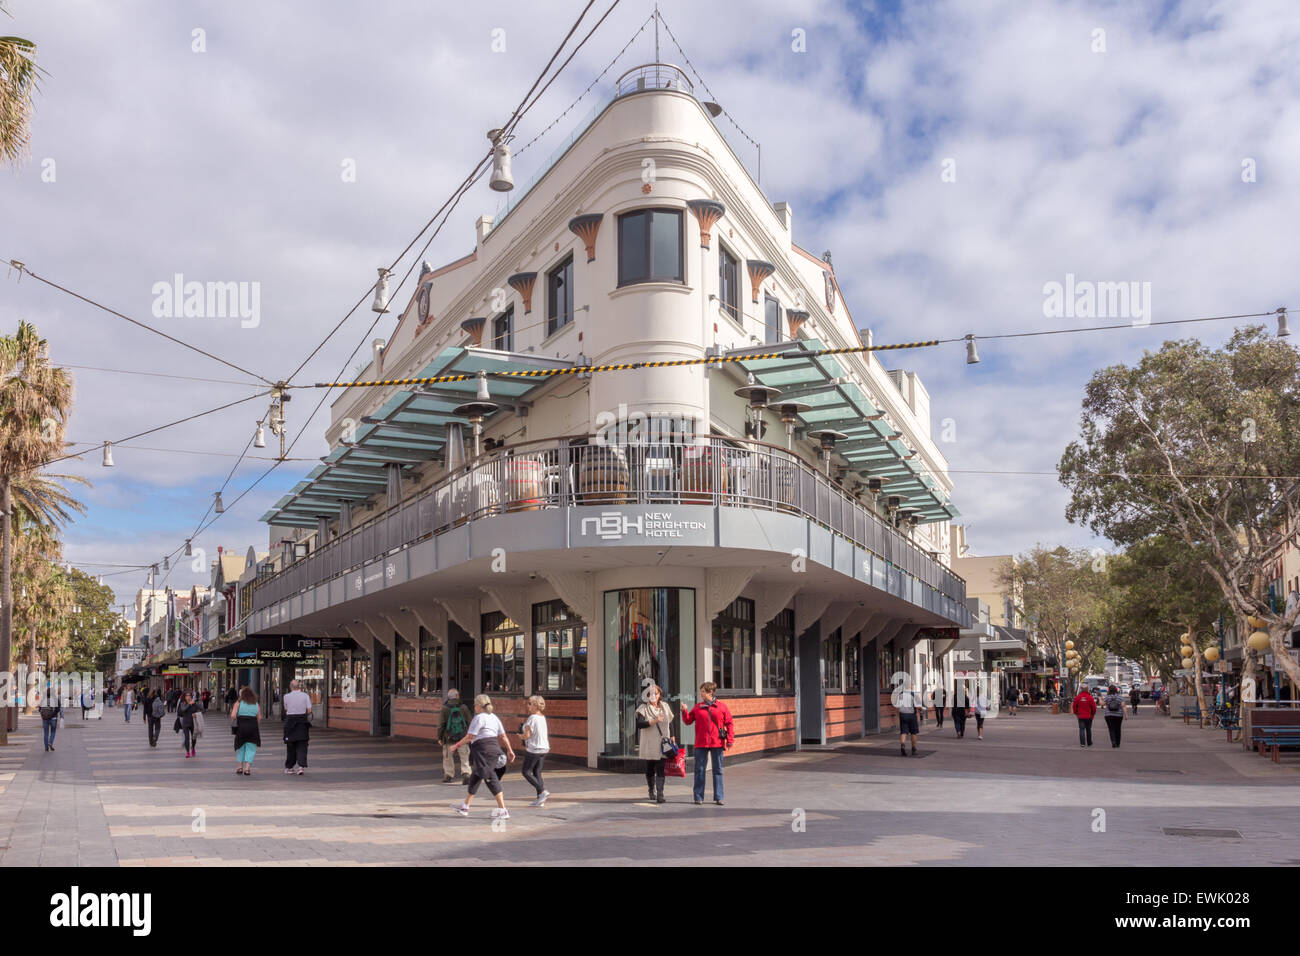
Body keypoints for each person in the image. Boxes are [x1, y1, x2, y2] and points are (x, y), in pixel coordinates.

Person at [448, 694, 516, 818]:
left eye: (474, 704)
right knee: (476, 776)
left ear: (479, 706)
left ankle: (503, 810)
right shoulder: (494, 717)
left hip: (483, 752)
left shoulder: (479, 718)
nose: (474, 706)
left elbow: (470, 737)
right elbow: (503, 736)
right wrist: (510, 750)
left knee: (490, 778)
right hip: (494, 750)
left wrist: (455, 746)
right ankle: (465, 806)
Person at [681, 682, 734, 806]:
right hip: (701, 743)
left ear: (711, 692)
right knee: (699, 770)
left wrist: (730, 740)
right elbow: (688, 721)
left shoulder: (721, 707)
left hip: (717, 743)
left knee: (718, 770)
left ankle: (719, 797)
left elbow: (730, 723)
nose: (701, 694)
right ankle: (698, 797)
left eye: (703, 691)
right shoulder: (698, 707)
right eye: (701, 691)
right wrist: (684, 712)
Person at [635, 683, 675, 803]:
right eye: (651, 694)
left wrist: (672, 735)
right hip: (649, 742)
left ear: (659, 695)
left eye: (656, 693)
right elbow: (639, 724)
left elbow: (670, 722)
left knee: (661, 768)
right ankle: (651, 790)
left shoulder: (665, 706)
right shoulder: (643, 708)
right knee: (650, 768)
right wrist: (654, 721)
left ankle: (660, 794)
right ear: (647, 696)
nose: (654, 696)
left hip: (663, 742)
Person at [520, 695, 550, 807]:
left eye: (530, 703)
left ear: (535, 705)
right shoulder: (542, 717)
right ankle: (540, 799)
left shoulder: (532, 718)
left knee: (526, 772)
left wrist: (520, 736)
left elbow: (527, 735)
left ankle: (542, 791)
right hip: (544, 748)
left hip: (534, 749)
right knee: (537, 772)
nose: (528, 706)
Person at [438, 688, 473, 783]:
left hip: (448, 737)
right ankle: (466, 773)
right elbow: (470, 722)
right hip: (462, 737)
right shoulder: (464, 707)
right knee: (464, 756)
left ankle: (448, 775)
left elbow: (441, 725)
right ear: (457, 696)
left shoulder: (444, 708)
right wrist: (469, 735)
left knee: (448, 757)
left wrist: (440, 737)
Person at [282, 679, 312, 775]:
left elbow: (286, 709)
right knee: (302, 744)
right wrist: (303, 715)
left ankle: (289, 767)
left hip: (290, 722)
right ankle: (301, 767)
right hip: (302, 722)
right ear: (299, 687)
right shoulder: (305, 696)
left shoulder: (286, 696)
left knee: (290, 745)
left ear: (291, 687)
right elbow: (309, 710)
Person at [231, 686, 261, 775]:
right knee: (251, 748)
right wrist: (256, 726)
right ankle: (247, 769)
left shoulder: (238, 703)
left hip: (241, 727)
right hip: (253, 727)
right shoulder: (256, 704)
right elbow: (259, 717)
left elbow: (233, 716)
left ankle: (240, 767)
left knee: (240, 747)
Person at [897, 682, 923, 757]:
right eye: (912, 685)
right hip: (911, 715)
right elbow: (918, 706)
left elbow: (897, 705)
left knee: (903, 732)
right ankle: (914, 749)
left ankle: (902, 745)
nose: (912, 687)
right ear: (910, 687)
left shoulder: (900, 695)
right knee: (913, 732)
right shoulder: (913, 694)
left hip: (902, 715)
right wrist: (921, 709)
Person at [177, 691, 201, 757]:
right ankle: (187, 752)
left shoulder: (195, 703)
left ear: (191, 696)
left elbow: (203, 709)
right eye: (187, 696)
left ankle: (193, 748)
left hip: (193, 723)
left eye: (189, 695)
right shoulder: (183, 703)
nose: (188, 697)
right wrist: (189, 704)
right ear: (185, 697)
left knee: (193, 738)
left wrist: (196, 714)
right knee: (186, 738)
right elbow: (183, 710)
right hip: (185, 723)